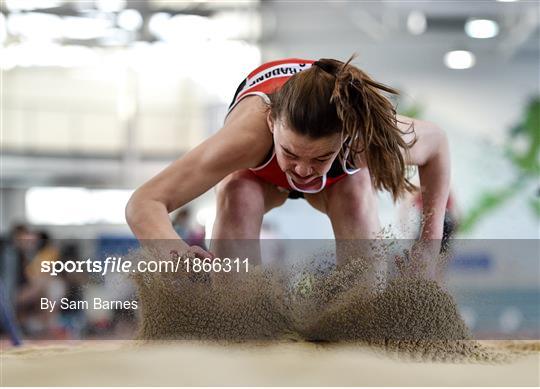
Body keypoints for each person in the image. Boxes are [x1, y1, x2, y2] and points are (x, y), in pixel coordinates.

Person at [126, 56, 450, 279]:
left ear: (346, 136)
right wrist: (173, 253)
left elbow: (436, 144)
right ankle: (234, 317)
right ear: (271, 123)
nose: (303, 171)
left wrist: (428, 248)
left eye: (320, 157)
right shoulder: (246, 138)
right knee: (238, 193)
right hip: (256, 178)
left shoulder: (365, 138)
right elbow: (144, 203)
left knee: (354, 192)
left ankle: (361, 320)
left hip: (338, 185)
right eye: (291, 153)